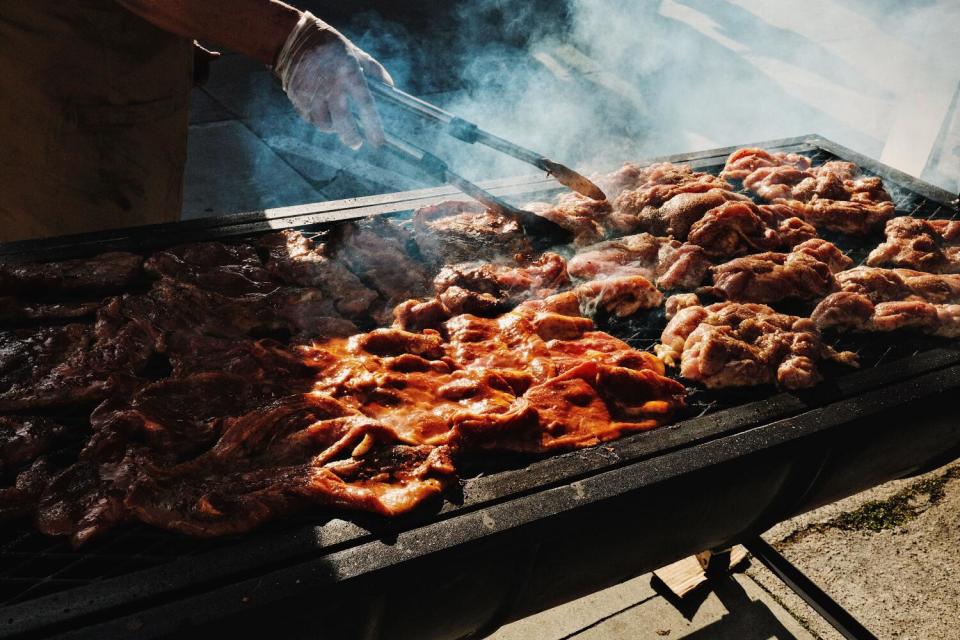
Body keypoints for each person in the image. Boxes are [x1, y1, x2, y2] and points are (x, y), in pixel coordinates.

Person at [0, 1, 392, 242]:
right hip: (53, 110)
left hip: (107, 72)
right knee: (71, 295)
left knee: (135, 261)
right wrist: (289, 38)